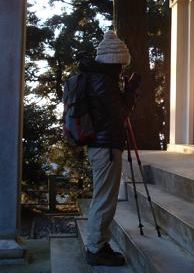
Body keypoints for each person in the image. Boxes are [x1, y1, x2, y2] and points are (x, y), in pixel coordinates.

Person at [78, 30, 139, 266]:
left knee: (102, 197)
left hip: (101, 146)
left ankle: (98, 244)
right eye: (121, 63)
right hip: (106, 148)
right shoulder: (103, 82)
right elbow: (121, 113)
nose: (122, 68)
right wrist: (131, 90)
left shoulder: (98, 78)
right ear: (115, 61)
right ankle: (96, 248)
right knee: (104, 199)